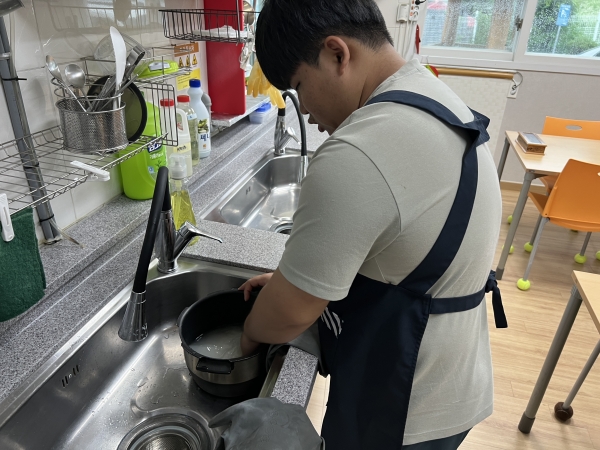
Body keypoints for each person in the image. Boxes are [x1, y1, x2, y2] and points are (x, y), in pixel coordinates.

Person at [216, 1, 506, 449]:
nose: (306, 113)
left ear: (337, 54)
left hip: (405, 402)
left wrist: (250, 334)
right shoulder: (430, 95)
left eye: (299, 88)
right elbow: (403, 243)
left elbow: (289, 315)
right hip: (453, 376)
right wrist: (298, 283)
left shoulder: (359, 150)